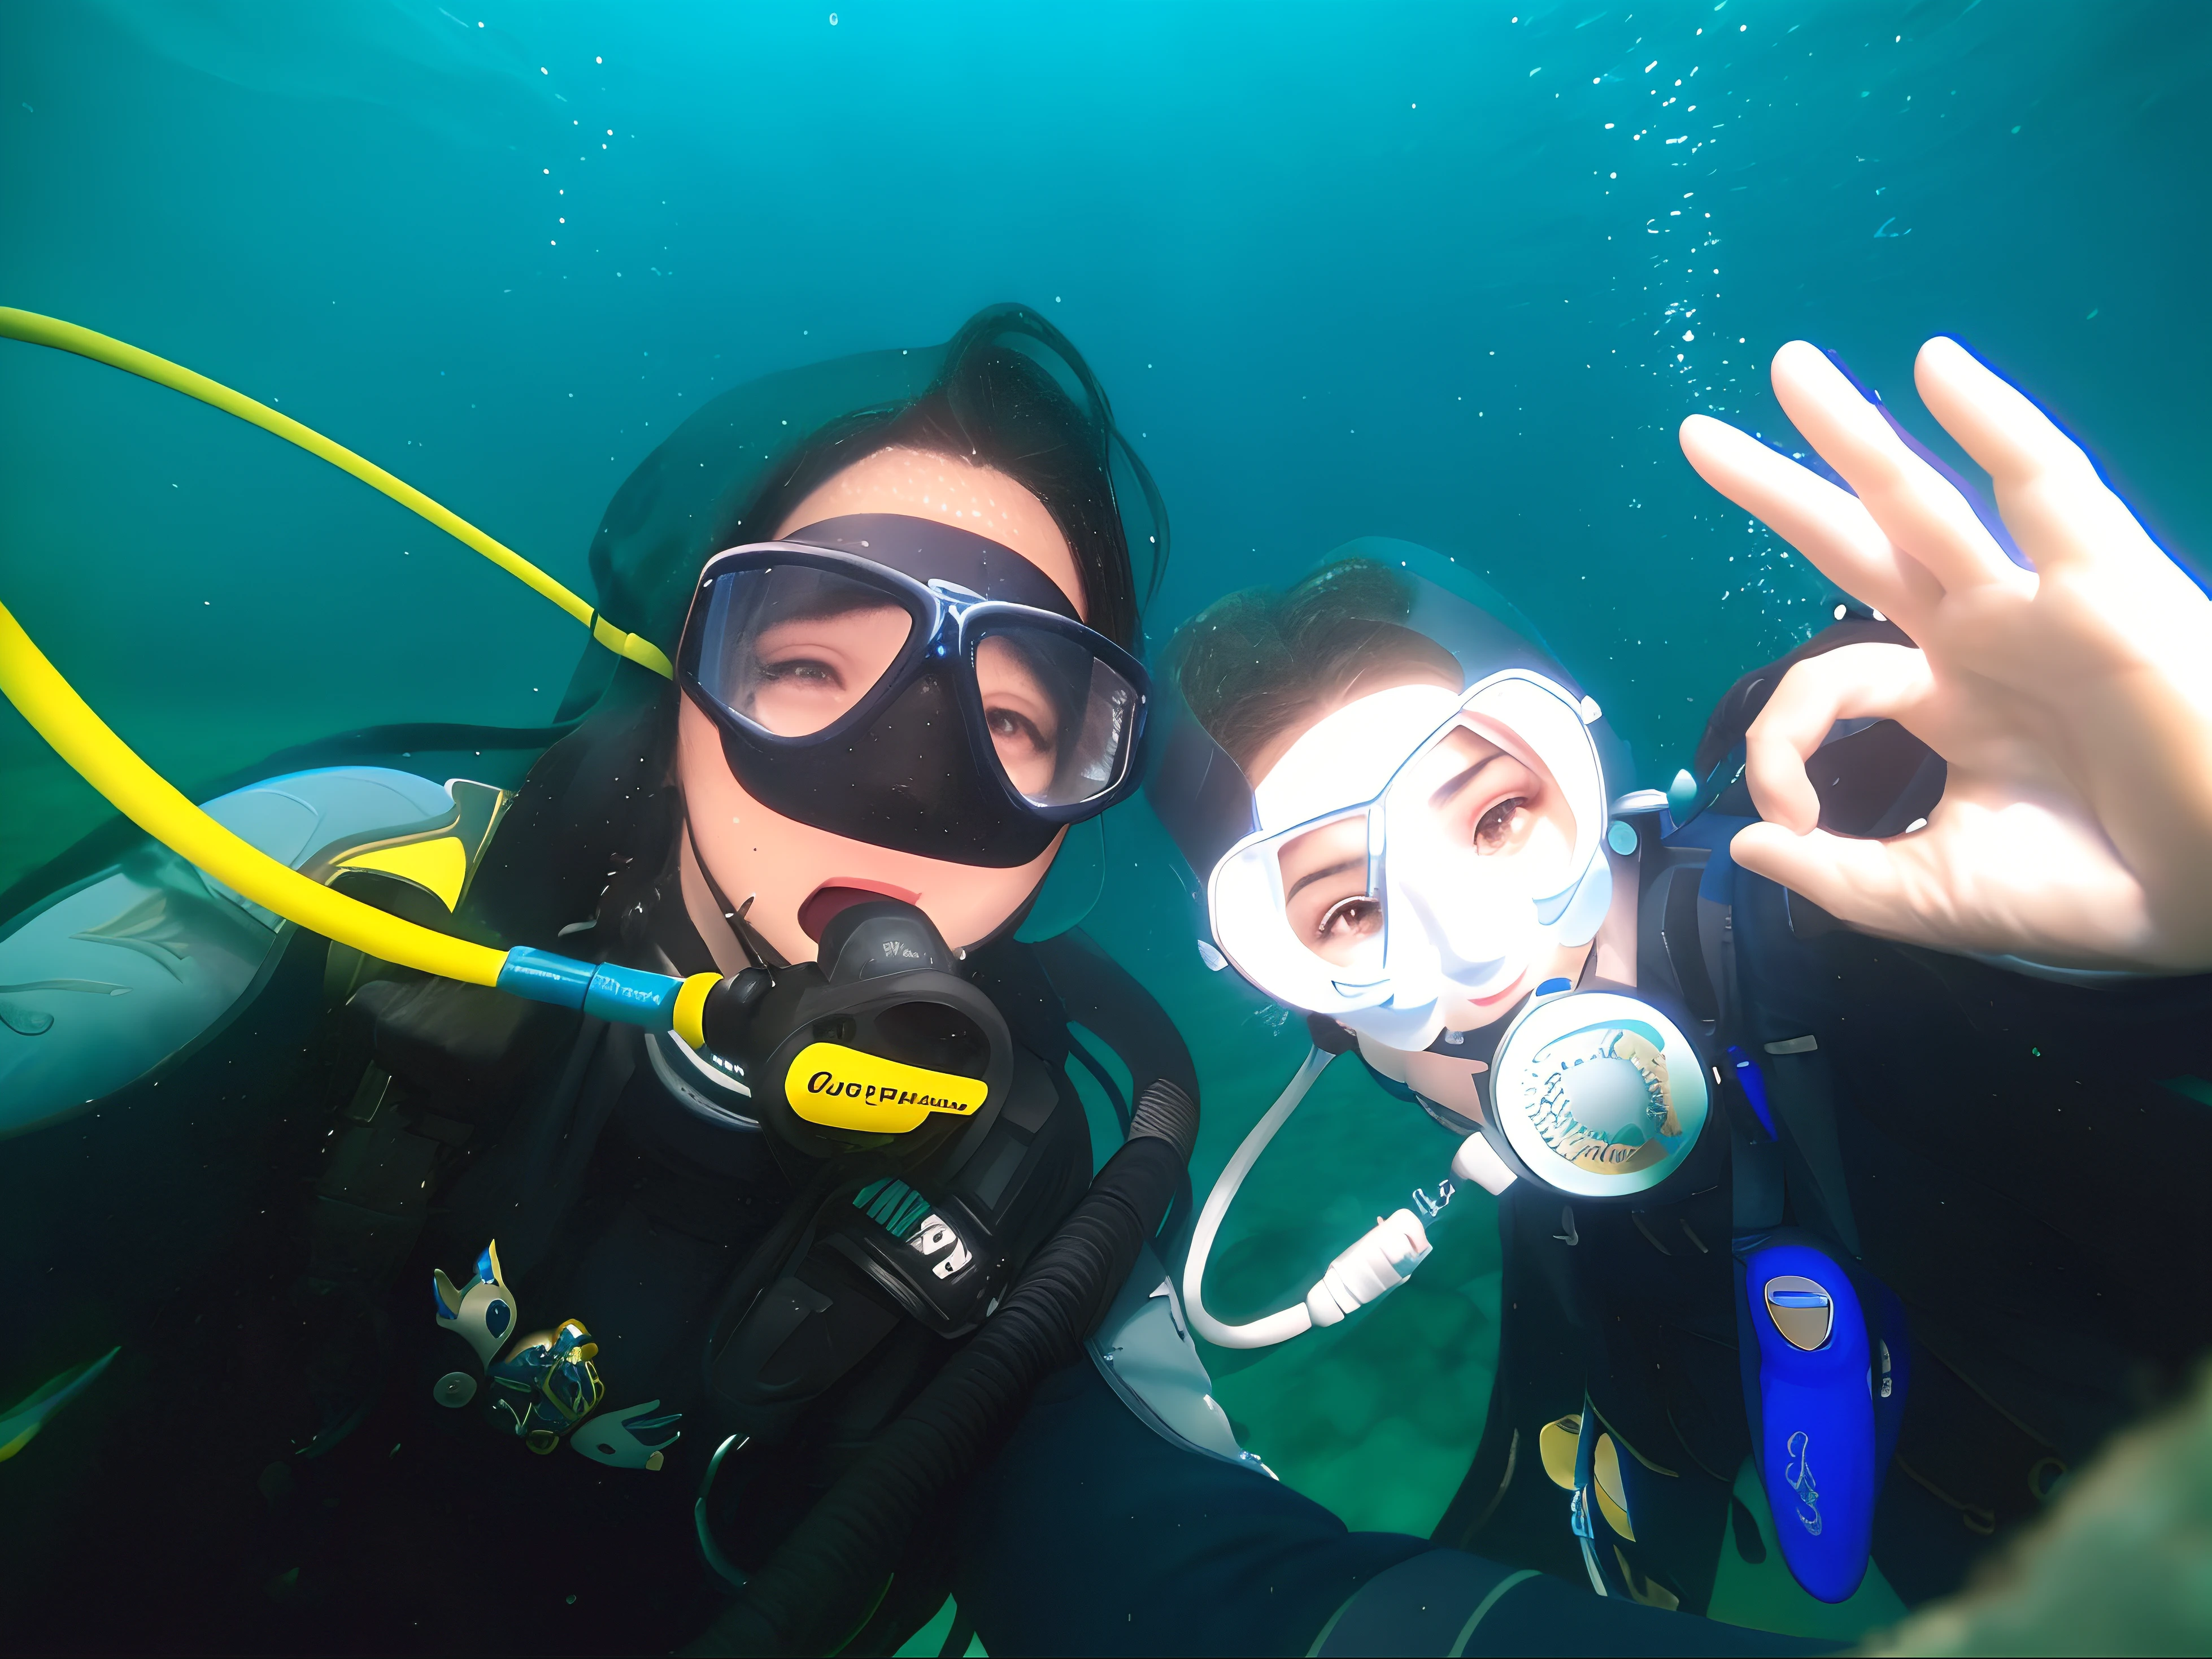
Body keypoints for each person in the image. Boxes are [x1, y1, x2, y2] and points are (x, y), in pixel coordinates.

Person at [942, 336, 2212, 1654]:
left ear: (1600, 794)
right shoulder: (1563, 1228)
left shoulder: (1873, 914)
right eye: (1352, 911)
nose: (1482, 955)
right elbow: (1553, 1537)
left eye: (1497, 817)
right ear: (1312, 1006)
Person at [0, 303, 1199, 1656]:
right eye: (807, 663)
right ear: (674, 669)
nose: (908, 779)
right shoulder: (362, 884)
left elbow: (1182, 1544)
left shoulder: (1043, 1194)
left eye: (1010, 718)